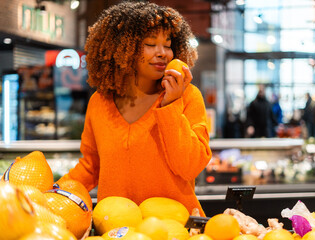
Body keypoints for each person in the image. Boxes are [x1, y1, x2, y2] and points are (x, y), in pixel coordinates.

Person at [58, 1, 212, 217]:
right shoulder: (100, 102)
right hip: (116, 228)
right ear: (122, 48)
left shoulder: (187, 96)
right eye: (150, 44)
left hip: (176, 229)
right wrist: (51, 193)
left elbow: (190, 166)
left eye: (167, 44)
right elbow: (90, 168)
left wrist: (170, 105)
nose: (162, 53)